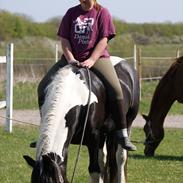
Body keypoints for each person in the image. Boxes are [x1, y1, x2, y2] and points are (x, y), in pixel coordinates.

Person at [38, 0, 136, 151]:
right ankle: (46, 132)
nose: (83, 0)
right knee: (43, 87)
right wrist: (70, 59)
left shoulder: (102, 12)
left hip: (97, 59)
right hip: (71, 59)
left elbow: (104, 39)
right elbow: (64, 39)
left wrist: (91, 60)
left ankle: (122, 133)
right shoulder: (71, 13)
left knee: (116, 90)